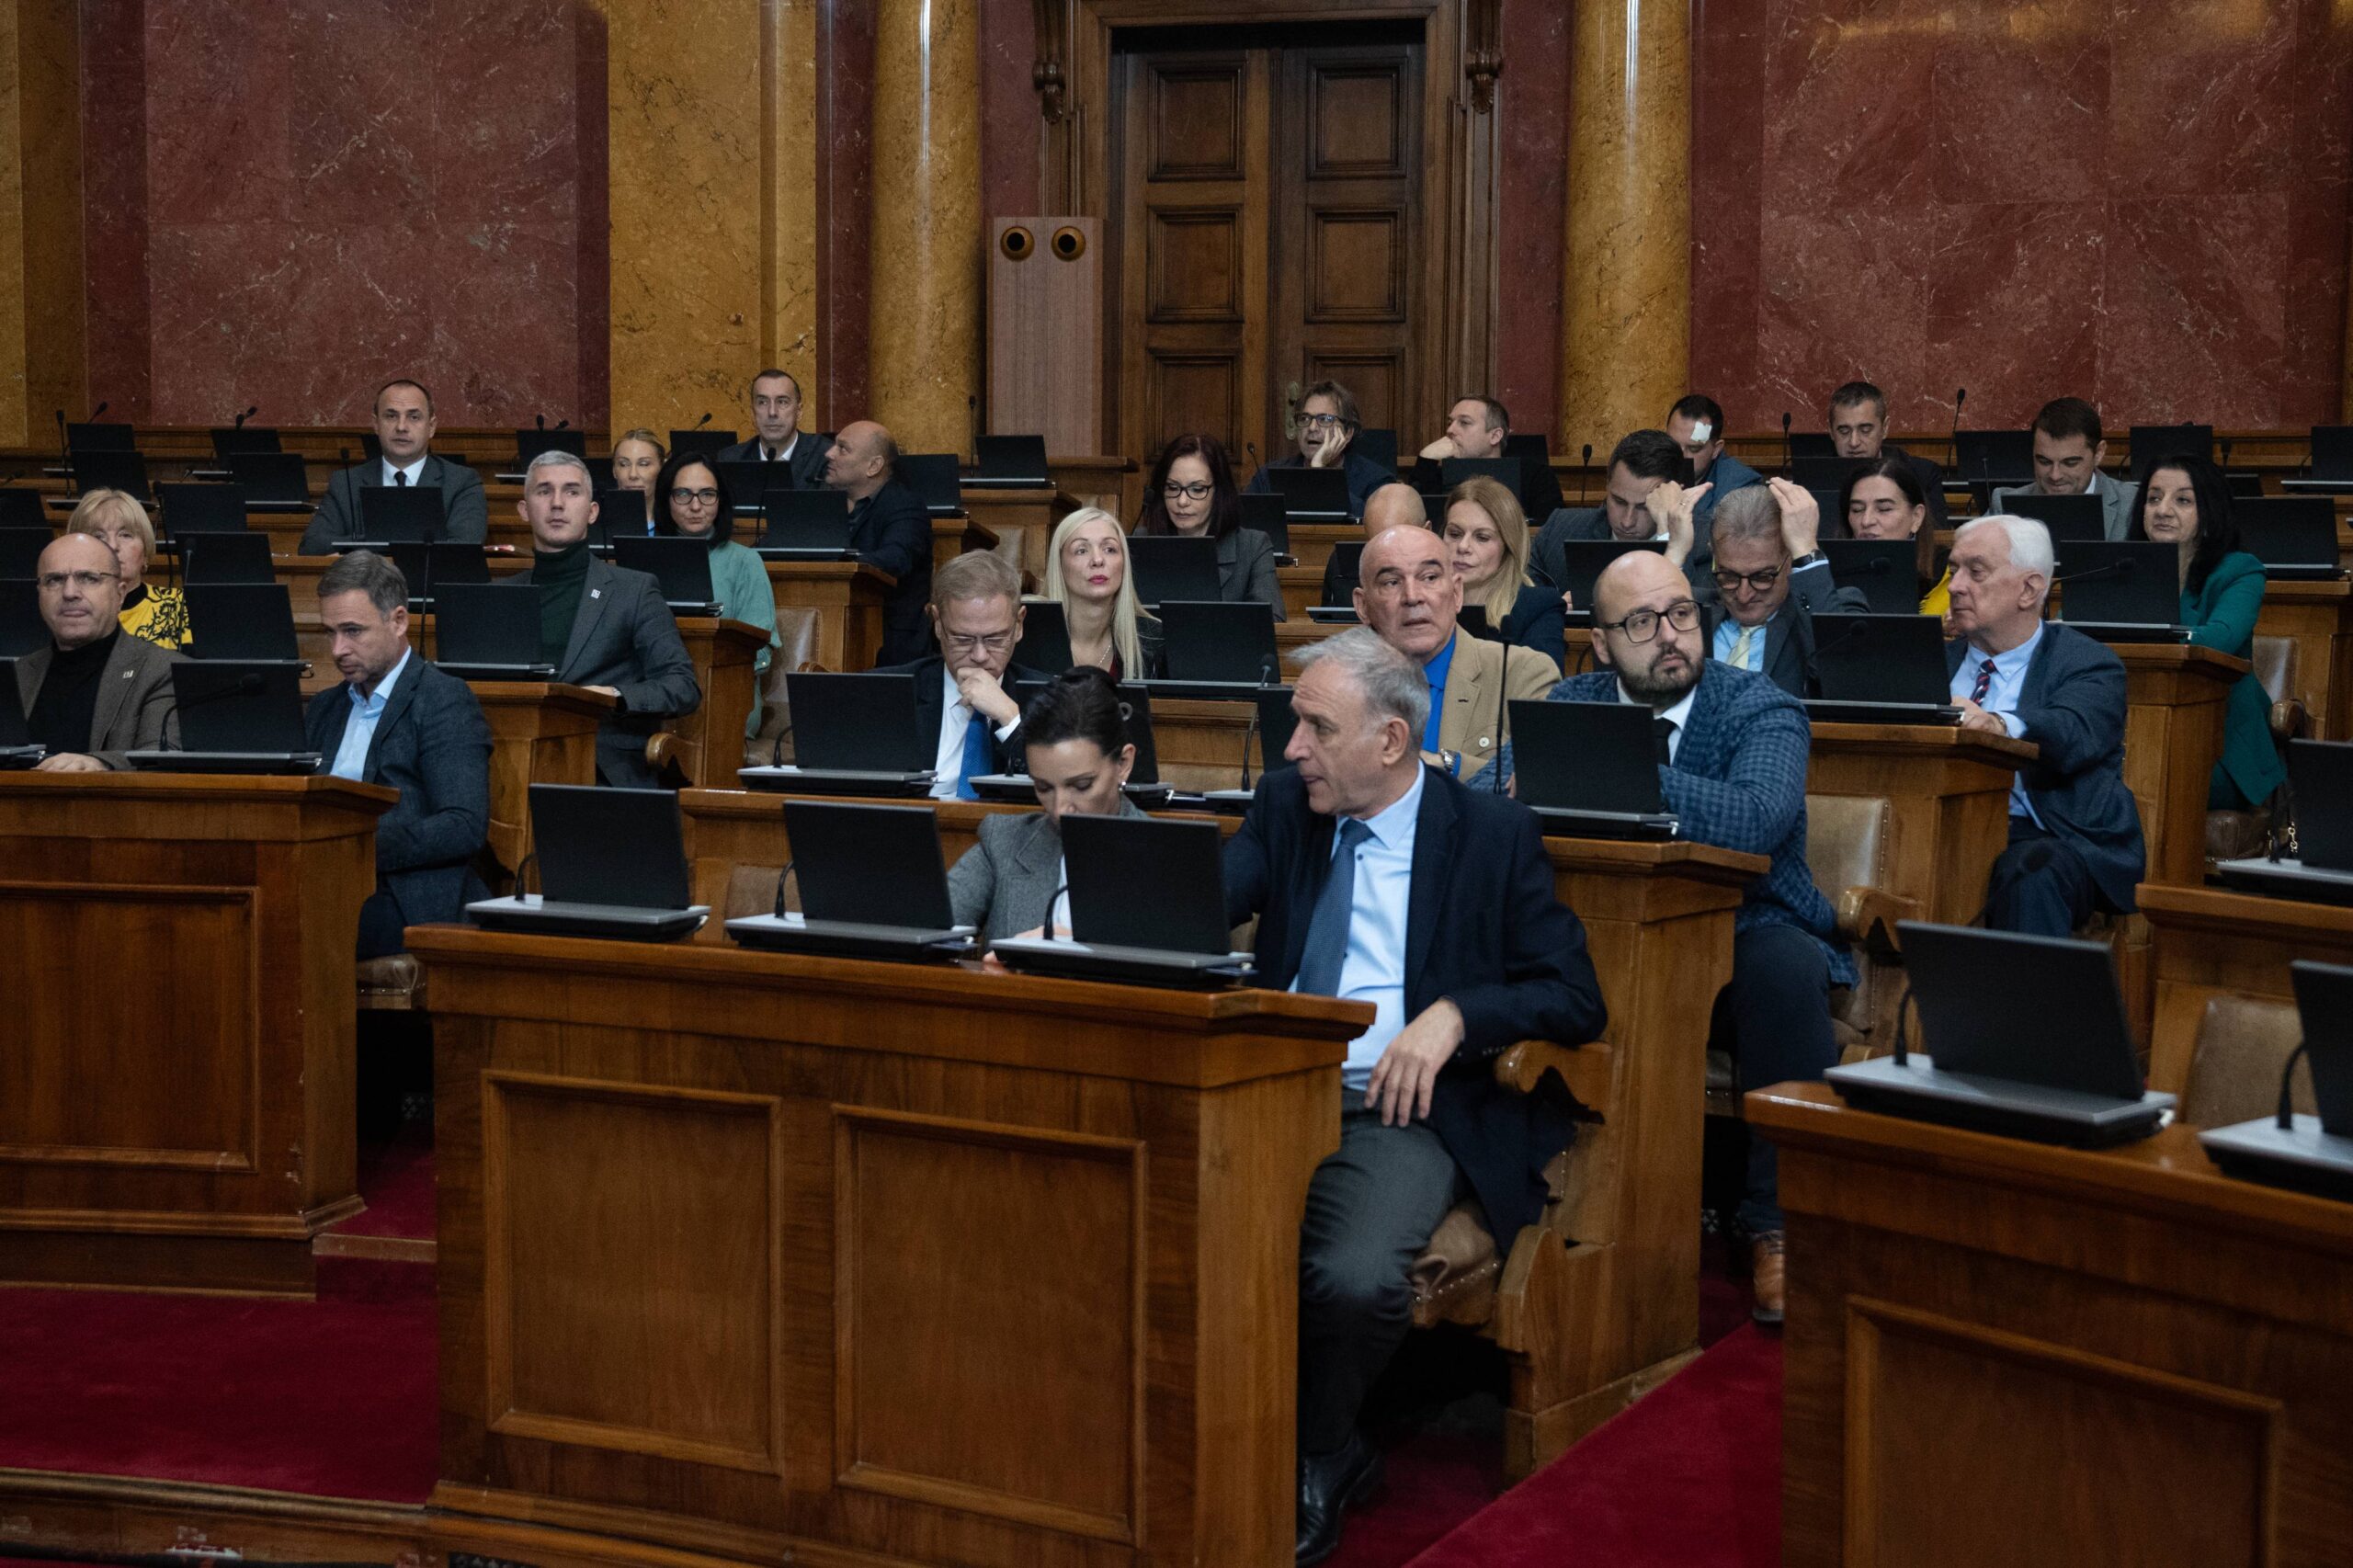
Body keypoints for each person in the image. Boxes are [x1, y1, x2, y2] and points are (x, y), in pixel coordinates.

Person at [1218, 627, 1605, 1565]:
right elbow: (1198, 904)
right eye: (1295, 724)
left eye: (1316, 727)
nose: (1293, 747)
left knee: (1353, 1276)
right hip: (1264, 1088)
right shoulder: (1286, 805)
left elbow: (1573, 995)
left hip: (1403, 1111)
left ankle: (1323, 1450)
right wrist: (1073, 922)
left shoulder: (1492, 836)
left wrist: (1455, 1016)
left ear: (1390, 740)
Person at [1498, 549, 1848, 1324]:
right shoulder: (1575, 699)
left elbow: (1755, 821)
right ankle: (1513, 1201)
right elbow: (1495, 789)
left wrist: (1610, 766)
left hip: (1746, 928)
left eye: (1682, 613)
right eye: (1642, 622)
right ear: (1600, 642)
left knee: (1784, 971)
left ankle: (1781, 1226)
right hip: (1607, 931)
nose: (1669, 635)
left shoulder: (1760, 706)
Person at [1941, 516, 2144, 936]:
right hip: (1937, 822)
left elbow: (2073, 730)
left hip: (2047, 832)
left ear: (2029, 589)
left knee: (2032, 872)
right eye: (1953, 570)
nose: (1956, 586)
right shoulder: (1931, 661)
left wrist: (1999, 724)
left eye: (1976, 572)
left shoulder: (2089, 663)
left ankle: (2028, 983)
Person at [303, 550, 492, 958]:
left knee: (305, 926)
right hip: (319, 877)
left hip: (403, 891)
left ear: (399, 621)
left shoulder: (442, 700)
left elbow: (463, 825)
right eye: (330, 633)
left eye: (353, 631)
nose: (337, 650)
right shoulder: (324, 707)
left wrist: (357, 847)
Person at [507, 451, 700, 788]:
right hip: (513, 758)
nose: (557, 503)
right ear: (524, 510)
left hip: (603, 763)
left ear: (592, 511)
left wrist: (614, 695)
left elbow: (682, 685)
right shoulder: (502, 595)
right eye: (544, 491)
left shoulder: (634, 590)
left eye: (572, 491)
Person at [947, 667, 1147, 941]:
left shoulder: (1170, 860)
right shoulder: (1004, 842)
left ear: (1123, 764)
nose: (1060, 808)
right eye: (1044, 787)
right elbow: (928, 929)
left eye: (1081, 785)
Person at [2127, 456, 2281, 810]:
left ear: (2210, 513)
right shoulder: (2125, 568)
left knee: (2145, 777)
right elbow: (2076, 627)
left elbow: (2220, 639)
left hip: (2221, 746)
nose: (2162, 510)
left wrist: (2141, 633)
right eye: (2153, 498)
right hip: (2136, 731)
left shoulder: (2240, 571)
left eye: (2182, 500)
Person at [1356, 524, 1554, 783]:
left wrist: (1446, 765)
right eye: (1392, 582)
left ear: (1457, 592)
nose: (1412, 597)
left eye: (1429, 578)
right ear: (1363, 606)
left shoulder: (1522, 674)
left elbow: (1541, 780)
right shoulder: (1336, 686)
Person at [872, 551, 1052, 801]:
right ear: (938, 623)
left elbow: (1061, 788)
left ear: (1019, 624)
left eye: (995, 639)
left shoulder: (1053, 697)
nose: (979, 655)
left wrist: (1011, 718)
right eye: (962, 639)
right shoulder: (887, 692)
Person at [13, 533, 176, 770]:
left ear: (120, 594)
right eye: (54, 580)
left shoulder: (161, 672)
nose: (70, 592)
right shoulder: (16, 675)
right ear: (39, 593)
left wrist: (101, 764)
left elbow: (163, 757)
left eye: (88, 578)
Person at [654, 453, 781, 738]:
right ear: (666, 499)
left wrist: (703, 670)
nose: (695, 506)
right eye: (683, 494)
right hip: (656, 692)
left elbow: (760, 650)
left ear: (720, 500)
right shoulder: (645, 558)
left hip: (726, 694)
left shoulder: (745, 561)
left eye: (707, 494)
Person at [1702, 481, 1866, 697]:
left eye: (1762, 577)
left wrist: (1806, 551)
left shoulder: (1832, 611)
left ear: (1791, 559)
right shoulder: (1690, 612)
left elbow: (1844, 680)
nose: (1743, 595)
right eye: (1729, 576)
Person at [301, 379, 488, 552]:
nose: (401, 427)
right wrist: (385, 543)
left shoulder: (461, 482)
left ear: (431, 427)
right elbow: (312, 545)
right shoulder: (346, 482)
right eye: (391, 416)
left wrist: (367, 545)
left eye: (414, 417)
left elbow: (465, 546)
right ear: (376, 424)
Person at [1529, 427, 1714, 597]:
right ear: (1607, 485)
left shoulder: (1707, 543)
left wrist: (1667, 532)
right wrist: (1553, 609)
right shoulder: (1559, 531)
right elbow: (1522, 601)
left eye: (1644, 506)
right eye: (1619, 501)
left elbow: (1691, 612)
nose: (1627, 521)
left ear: (1674, 495)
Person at [1134, 432, 1284, 618]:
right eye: (1172, 488)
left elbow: (1272, 619)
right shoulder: (1142, 540)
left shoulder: (1253, 546)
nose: (1182, 501)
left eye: (1197, 489)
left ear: (1219, 492)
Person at [824, 420, 935, 664]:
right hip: (829, 629)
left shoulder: (905, 505)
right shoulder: (821, 501)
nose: (829, 454)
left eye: (843, 449)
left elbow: (896, 558)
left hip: (890, 646)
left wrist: (838, 560)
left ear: (874, 466)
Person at [1442, 475, 1564, 666]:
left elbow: (1543, 679)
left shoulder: (1537, 607)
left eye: (1482, 537)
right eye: (1455, 534)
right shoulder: (1421, 600)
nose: (1463, 546)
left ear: (1508, 546)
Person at [1987, 396, 2137, 540]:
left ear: (2098, 453)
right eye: (2044, 462)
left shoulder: (2133, 504)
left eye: (2070, 463)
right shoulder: (2004, 506)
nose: (2055, 475)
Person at [1245, 380, 1395, 518]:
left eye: (1324, 419)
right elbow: (1247, 522)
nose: (1312, 427)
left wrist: (1320, 474)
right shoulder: (1268, 477)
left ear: (1348, 432)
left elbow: (1372, 521)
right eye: (1304, 418)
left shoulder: (1375, 481)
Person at [1042, 506, 1164, 679]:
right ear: (1060, 563)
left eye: (1109, 549)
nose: (1098, 560)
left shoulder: (1154, 640)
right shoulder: (1030, 633)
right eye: (1081, 550)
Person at [1407, 395, 1565, 521]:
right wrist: (1426, 460)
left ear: (1495, 436)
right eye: (1450, 422)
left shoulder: (1535, 476)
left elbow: (1548, 527)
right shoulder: (1436, 474)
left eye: (1464, 422)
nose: (1450, 430)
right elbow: (1414, 518)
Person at [66, 488, 187, 649]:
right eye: (98, 536)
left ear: (145, 552)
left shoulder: (180, 606)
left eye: (125, 535)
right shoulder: (64, 609)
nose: (112, 545)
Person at [1826, 381, 1947, 528]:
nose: (1854, 442)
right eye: (1844, 431)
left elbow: (1937, 533)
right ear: (1831, 431)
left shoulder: (1923, 474)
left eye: (1865, 430)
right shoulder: (1814, 474)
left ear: (1885, 428)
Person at [1837, 456, 1948, 613]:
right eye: (1857, 510)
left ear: (1916, 517)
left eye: (1884, 509)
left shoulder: (1947, 570)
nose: (1866, 521)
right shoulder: (1828, 572)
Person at [1319, 482, 1427, 607]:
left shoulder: (1443, 574)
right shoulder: (1341, 563)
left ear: (1427, 531)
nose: (1387, 558)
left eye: (1396, 544)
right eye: (1374, 545)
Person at [716, 369, 828, 488]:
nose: (772, 412)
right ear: (752, 412)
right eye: (762, 402)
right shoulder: (730, 460)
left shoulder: (825, 456)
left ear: (799, 412)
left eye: (782, 402)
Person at [1665, 393, 1762, 526]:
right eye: (1673, 445)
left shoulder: (1739, 488)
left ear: (1716, 449)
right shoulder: (1650, 465)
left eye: (1693, 448)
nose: (1680, 456)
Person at [607, 427, 665, 532]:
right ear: (614, 471)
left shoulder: (677, 523)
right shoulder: (595, 523)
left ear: (662, 468)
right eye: (623, 464)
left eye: (644, 464)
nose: (633, 474)